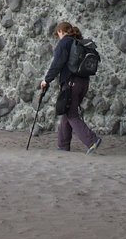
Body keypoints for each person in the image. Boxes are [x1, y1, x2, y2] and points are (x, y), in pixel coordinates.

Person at [41, 21, 102, 153]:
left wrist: (47, 80)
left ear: (60, 32)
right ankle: (63, 146)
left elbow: (57, 64)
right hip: (83, 83)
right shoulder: (80, 43)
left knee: (71, 114)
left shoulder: (65, 43)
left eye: (58, 34)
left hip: (71, 84)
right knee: (67, 112)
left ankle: (92, 140)